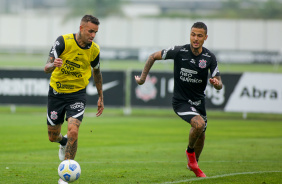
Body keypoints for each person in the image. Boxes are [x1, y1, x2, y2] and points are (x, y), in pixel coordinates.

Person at [135, 22, 222, 177]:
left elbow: (219, 84)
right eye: (193, 34)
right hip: (181, 101)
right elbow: (152, 56)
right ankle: (190, 154)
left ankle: (194, 162)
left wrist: (216, 83)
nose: (195, 38)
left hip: (199, 103)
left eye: (199, 35)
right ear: (190, 34)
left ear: (205, 38)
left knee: (201, 134)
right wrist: (142, 79)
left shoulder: (209, 57)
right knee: (199, 124)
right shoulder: (179, 51)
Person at [44, 15, 104, 184]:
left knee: (74, 131)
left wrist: (101, 96)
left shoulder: (94, 50)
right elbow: (46, 67)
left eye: (96, 32)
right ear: (81, 28)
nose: (93, 35)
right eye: (90, 31)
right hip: (56, 93)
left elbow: (97, 72)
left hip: (77, 94)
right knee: (52, 136)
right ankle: (62, 142)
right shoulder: (63, 41)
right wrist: (53, 64)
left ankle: (65, 176)